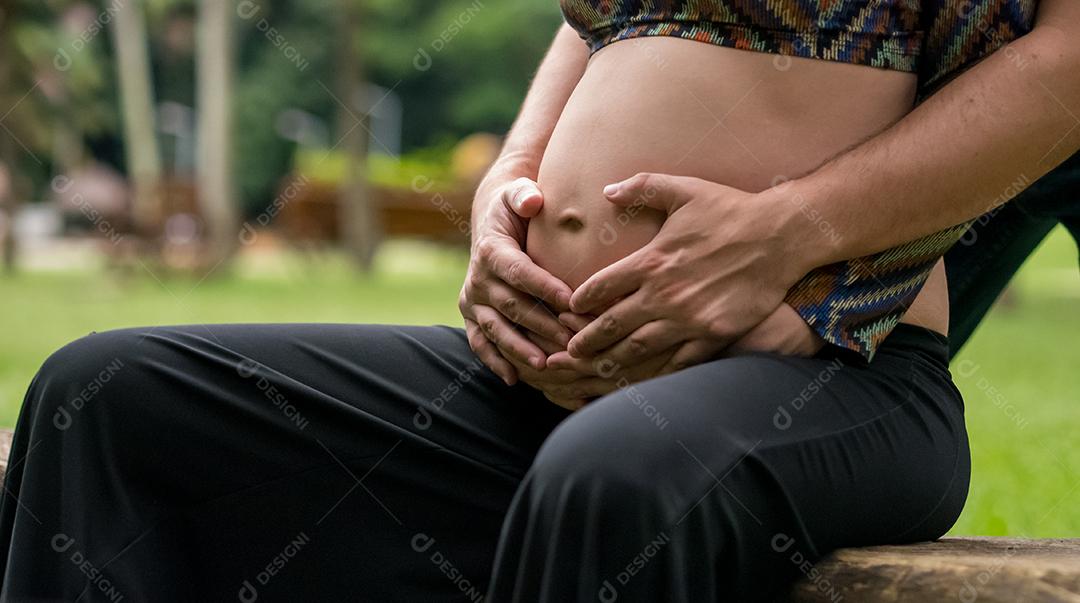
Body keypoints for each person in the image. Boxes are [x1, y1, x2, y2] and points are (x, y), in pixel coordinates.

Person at [1, 2, 1077, 603]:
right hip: (542, 379)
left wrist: (791, 231)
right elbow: (595, 29)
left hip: (835, 379)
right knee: (111, 399)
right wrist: (503, 189)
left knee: (617, 472)